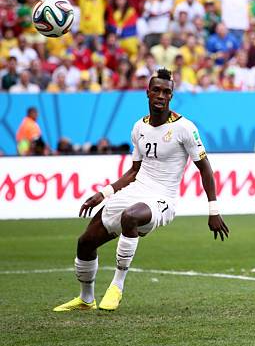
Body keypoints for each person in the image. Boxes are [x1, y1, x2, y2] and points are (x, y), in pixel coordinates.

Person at [53, 68, 229, 312]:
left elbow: (205, 168)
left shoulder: (185, 128)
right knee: (85, 242)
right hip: (136, 190)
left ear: (171, 96)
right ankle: (86, 299)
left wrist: (214, 210)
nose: (161, 95)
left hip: (162, 199)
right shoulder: (139, 127)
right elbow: (134, 171)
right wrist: (103, 193)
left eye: (166, 92)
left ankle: (117, 286)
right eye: (156, 90)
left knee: (131, 217)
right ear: (147, 93)